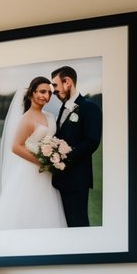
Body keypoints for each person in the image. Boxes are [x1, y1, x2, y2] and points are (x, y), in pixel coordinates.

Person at [0, 76, 68, 230]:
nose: (46, 96)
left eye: (49, 93)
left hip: (47, 174)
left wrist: (55, 153)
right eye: (42, 92)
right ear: (32, 93)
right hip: (30, 172)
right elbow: (16, 146)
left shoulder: (49, 116)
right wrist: (42, 161)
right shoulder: (26, 118)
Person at [50, 65, 102, 227]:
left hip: (77, 179)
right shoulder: (63, 108)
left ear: (67, 82)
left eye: (56, 85)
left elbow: (91, 141)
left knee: (77, 224)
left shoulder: (89, 107)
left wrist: (63, 158)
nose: (54, 91)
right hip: (60, 179)